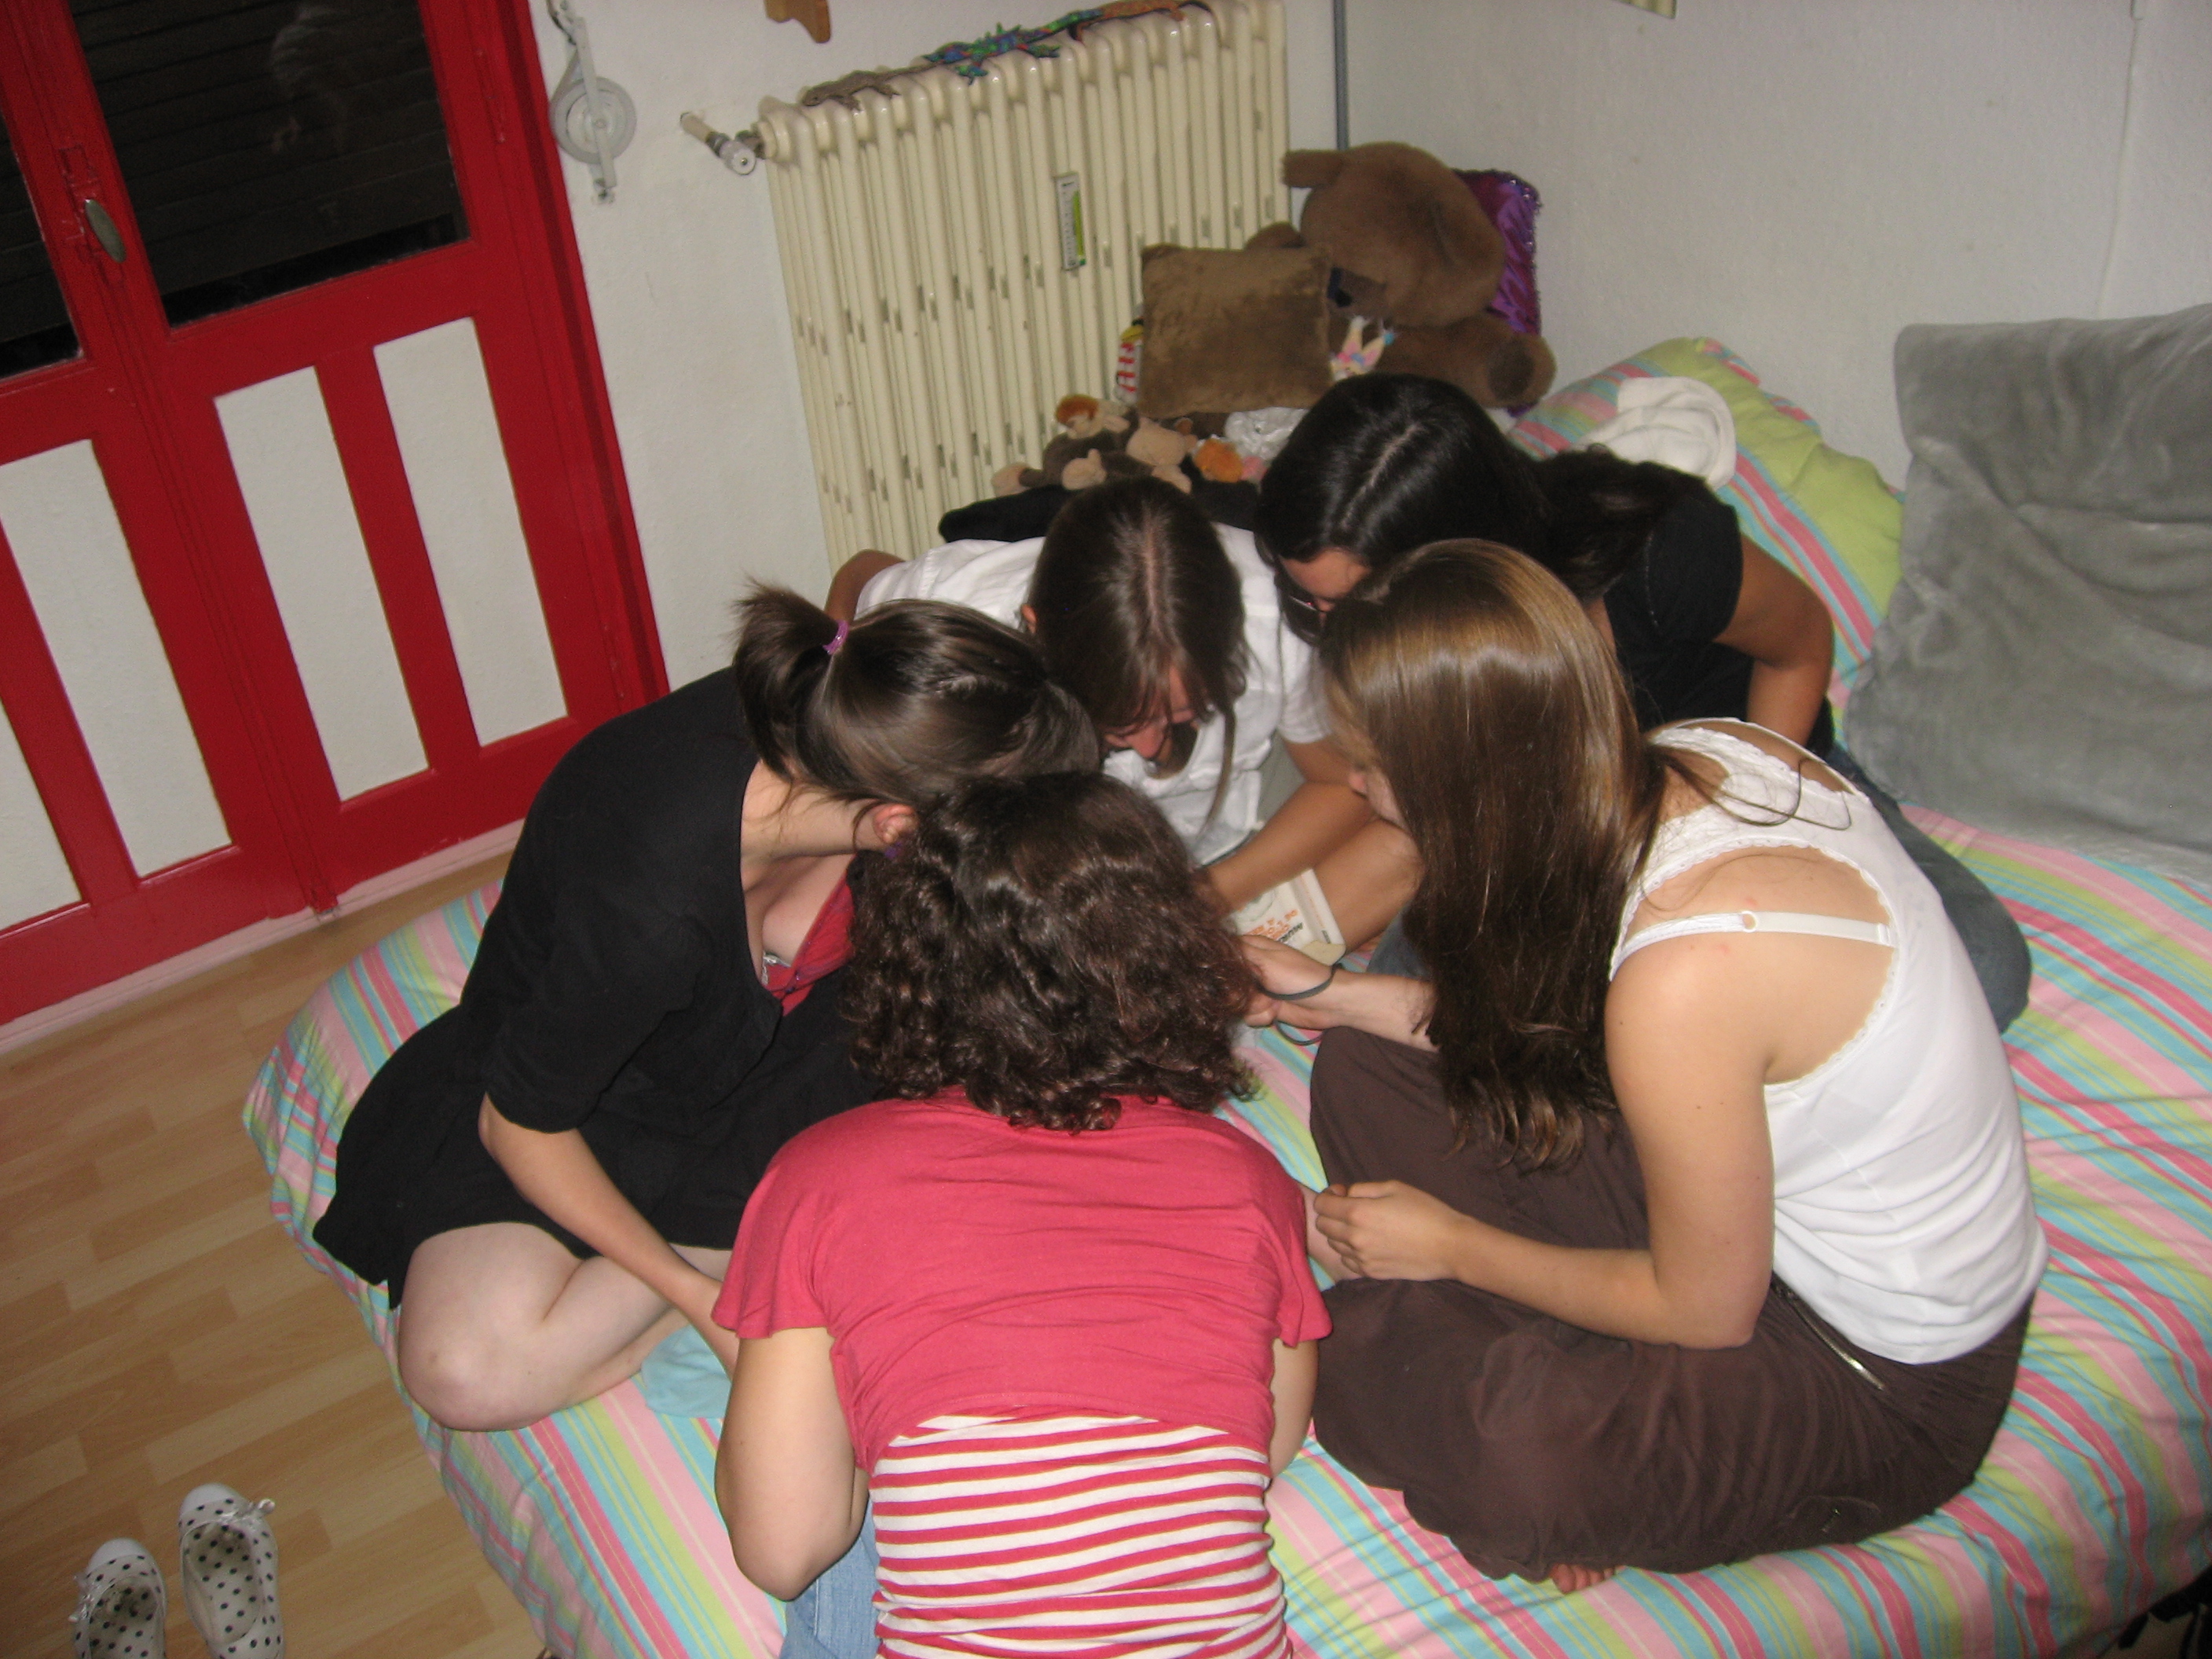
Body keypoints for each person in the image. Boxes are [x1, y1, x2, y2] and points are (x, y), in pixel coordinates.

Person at [1241, 541, 2044, 1589]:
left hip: (1871, 1373)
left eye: (1373, 767)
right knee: (1362, 1061)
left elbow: (1708, 1309)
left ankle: (1537, 1388)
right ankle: (1537, 1345)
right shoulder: (1694, 754)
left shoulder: (1689, 971)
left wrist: (1453, 1246)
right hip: (1745, 1219)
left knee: (1413, 1392)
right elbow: (1563, 1041)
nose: (1358, 786)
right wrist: (1329, 992)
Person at [312, 591, 1098, 1432]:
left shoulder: (839, 712)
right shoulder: (649, 906)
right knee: (465, 1376)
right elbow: (520, 1124)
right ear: (896, 823)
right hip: (603, 1095)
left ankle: (780, 1224)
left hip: (793, 1063)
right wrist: (694, 1299)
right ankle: (760, 1242)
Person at [715, 771, 1327, 1657]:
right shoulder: (1246, 1177)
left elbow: (783, 1552)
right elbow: (1267, 1449)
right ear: (1169, 954)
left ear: (903, 967)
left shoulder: (819, 1177)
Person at [1254, 372, 2031, 1027]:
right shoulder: (1393, 653)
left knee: (1980, 970)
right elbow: (1415, 830)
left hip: (1746, 785)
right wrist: (1253, 947)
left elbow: (1798, 647)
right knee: (1412, 1020)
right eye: (1306, 599)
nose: (1325, 627)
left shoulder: (1654, 552)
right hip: (1560, 839)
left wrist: (1752, 821)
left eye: (1344, 604)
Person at [832, 477, 1404, 939]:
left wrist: (1206, 898)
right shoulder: (954, 612)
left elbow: (1338, 785)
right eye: (1121, 723)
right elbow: (861, 572)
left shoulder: (1272, 611)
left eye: (1182, 715)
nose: (1153, 748)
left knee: (1410, 832)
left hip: (1218, 848)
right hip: (1048, 871)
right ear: (1036, 632)